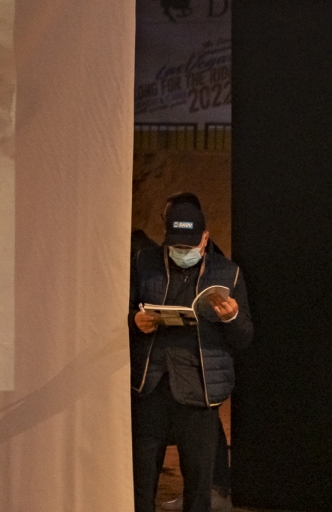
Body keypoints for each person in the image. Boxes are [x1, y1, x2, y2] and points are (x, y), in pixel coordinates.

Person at [131, 195, 251, 512]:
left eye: (190, 246)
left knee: (198, 486)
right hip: (151, 384)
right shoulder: (144, 263)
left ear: (205, 238)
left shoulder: (227, 273)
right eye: (176, 246)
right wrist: (135, 321)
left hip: (199, 388)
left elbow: (244, 338)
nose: (182, 252)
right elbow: (122, 312)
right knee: (141, 481)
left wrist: (231, 318)